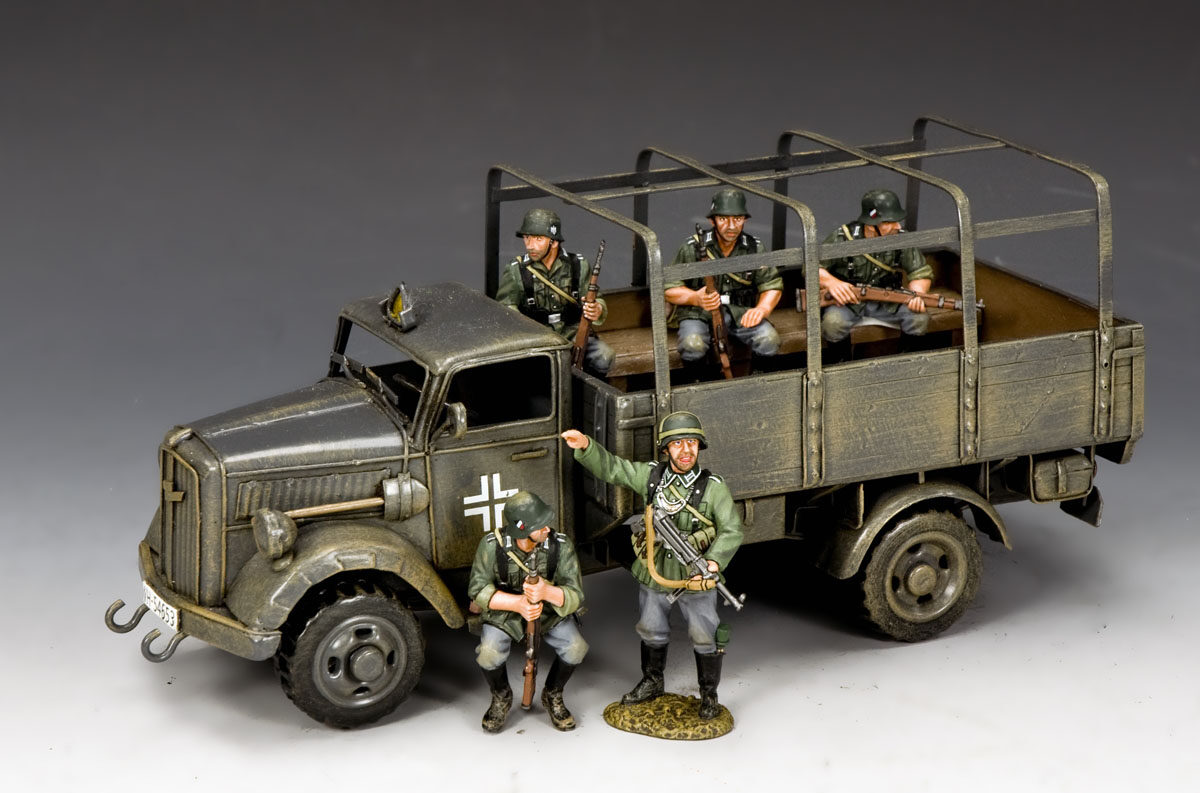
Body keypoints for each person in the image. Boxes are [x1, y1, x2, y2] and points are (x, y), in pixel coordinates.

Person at [561, 411, 742, 720]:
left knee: (704, 634)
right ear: (666, 448)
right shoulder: (652, 477)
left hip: (694, 577)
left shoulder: (713, 488)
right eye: (678, 444)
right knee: (651, 628)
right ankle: (652, 681)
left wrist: (713, 560)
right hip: (656, 572)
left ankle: (709, 694)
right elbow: (615, 469)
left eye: (692, 443)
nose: (686, 450)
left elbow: (731, 530)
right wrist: (586, 446)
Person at [467, 490, 588, 732]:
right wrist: (518, 604)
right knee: (488, 653)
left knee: (576, 647)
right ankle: (501, 695)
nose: (547, 529)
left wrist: (546, 592)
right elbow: (477, 588)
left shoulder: (560, 546)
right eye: (539, 526)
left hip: (547, 611)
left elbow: (576, 595)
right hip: (506, 612)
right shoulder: (492, 546)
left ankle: (553, 693)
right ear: (522, 530)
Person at [664, 188, 783, 366]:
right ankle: (697, 381)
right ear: (712, 221)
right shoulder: (692, 247)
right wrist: (695, 297)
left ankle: (761, 381)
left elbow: (771, 284)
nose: (731, 226)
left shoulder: (754, 248)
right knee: (692, 345)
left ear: (745, 220)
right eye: (723, 219)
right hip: (698, 313)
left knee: (768, 339)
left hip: (739, 311)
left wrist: (762, 309)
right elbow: (669, 288)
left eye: (737, 219)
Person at [496, 208, 614, 376]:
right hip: (536, 339)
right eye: (527, 238)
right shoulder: (516, 270)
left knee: (604, 357)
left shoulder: (578, 265)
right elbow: (506, 309)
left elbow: (597, 299)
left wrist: (597, 309)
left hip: (572, 334)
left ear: (554, 242)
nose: (530, 245)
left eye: (538, 239)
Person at [818, 188, 934, 342]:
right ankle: (840, 357)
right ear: (871, 225)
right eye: (889, 222)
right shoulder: (843, 238)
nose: (897, 226)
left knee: (918, 319)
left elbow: (920, 271)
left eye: (896, 221)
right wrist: (832, 283)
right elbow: (813, 268)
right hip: (848, 302)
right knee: (833, 323)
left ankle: (907, 358)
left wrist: (917, 295)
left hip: (887, 300)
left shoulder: (900, 238)